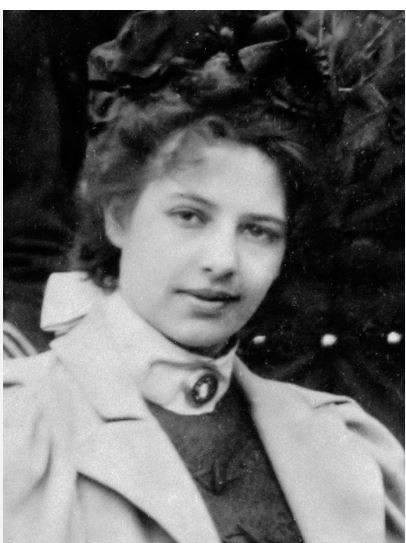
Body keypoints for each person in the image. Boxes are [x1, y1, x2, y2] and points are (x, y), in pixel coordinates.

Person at [4, 11, 404, 543]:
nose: (223, 261)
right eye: (189, 216)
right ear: (119, 217)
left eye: (259, 231)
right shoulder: (19, 430)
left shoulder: (351, 445)